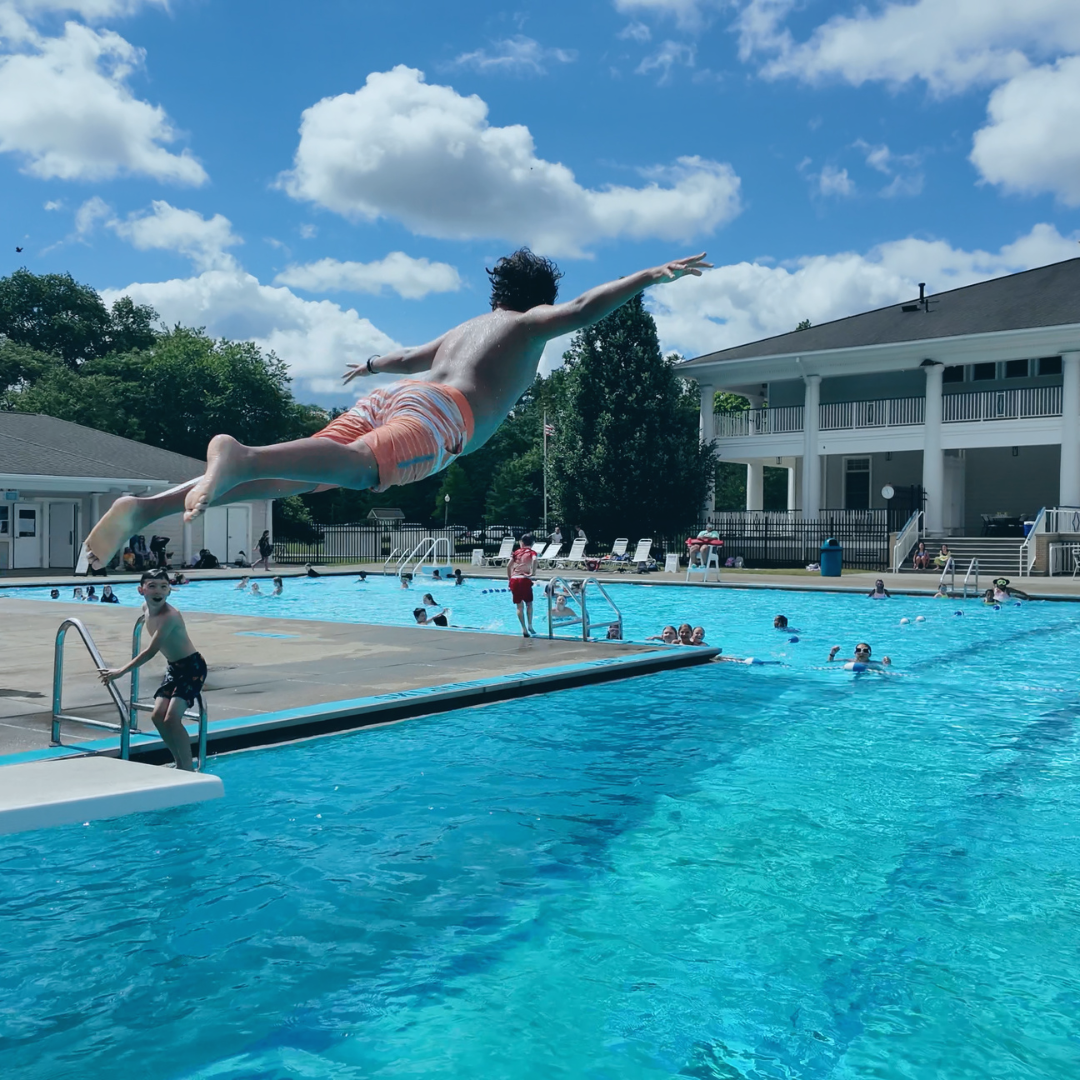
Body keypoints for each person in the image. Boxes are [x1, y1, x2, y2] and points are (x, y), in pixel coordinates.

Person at [77, 249, 711, 572]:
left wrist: (372, 367)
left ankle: (145, 510)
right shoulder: (528, 324)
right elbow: (584, 309)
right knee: (358, 469)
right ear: (536, 296)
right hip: (443, 415)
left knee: (312, 472)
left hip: (393, 397)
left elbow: (411, 356)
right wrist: (650, 276)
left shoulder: (467, 327)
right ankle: (238, 454)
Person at [98, 569, 207, 771]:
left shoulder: (170, 616)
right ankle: (179, 761)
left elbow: (151, 651)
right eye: (152, 586)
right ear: (142, 590)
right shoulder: (145, 608)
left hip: (192, 667)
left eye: (164, 587)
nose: (158, 591)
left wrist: (120, 671)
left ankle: (188, 767)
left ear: (170, 591)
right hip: (174, 668)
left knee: (172, 717)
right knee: (158, 716)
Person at [508, 532, 539, 637]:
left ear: (522, 542)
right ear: (532, 543)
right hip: (524, 578)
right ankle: (530, 625)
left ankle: (524, 628)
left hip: (514, 578)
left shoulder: (516, 552)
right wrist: (533, 572)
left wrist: (510, 579)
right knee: (529, 603)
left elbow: (508, 566)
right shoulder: (532, 552)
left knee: (519, 606)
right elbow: (535, 560)